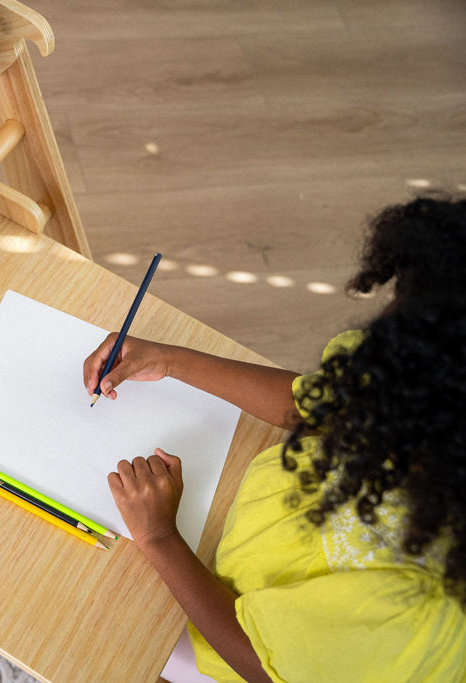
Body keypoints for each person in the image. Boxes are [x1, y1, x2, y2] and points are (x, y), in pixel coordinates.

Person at [83, 196, 466, 682]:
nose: (376, 333)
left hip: (228, 632)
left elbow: (263, 664)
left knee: (100, 637)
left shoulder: (422, 619)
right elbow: (319, 404)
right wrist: (171, 360)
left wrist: (160, 538)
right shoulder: (410, 387)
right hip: (231, 540)